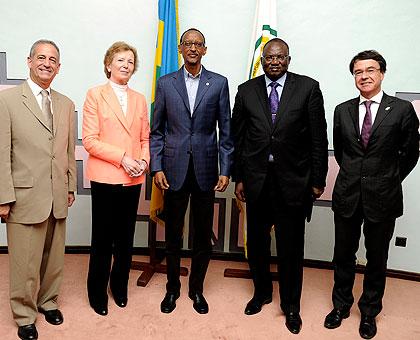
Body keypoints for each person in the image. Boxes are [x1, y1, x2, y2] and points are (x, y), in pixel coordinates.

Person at [232, 38, 328, 334]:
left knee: (290, 248)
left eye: (280, 57)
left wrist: (317, 180)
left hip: (293, 183)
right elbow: (238, 138)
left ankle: (291, 305)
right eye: (269, 58)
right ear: (261, 60)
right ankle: (261, 293)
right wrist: (239, 178)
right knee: (258, 245)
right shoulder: (246, 91)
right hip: (257, 182)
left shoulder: (308, 88)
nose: (274, 62)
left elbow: (318, 137)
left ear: (288, 59)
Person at [324, 50, 419, 339]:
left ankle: (369, 312)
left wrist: (388, 178)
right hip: (348, 194)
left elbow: (410, 154)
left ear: (381, 73)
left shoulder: (402, 109)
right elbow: (342, 152)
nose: (364, 76)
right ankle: (340, 306)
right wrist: (357, 176)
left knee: (376, 258)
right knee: (343, 255)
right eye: (357, 72)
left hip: (383, 196)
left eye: (370, 70)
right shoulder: (342, 109)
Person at [150, 28, 233, 315]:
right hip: (172, 170)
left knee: (201, 235)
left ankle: (196, 289)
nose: (193, 48)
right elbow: (156, 131)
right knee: (172, 234)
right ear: (181, 48)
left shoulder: (219, 83)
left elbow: (226, 130)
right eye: (188, 44)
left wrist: (226, 169)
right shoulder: (165, 83)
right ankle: (172, 289)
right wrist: (157, 166)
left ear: (205, 49)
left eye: (198, 44)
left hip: (206, 170)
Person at [0, 39, 76, 340]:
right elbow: (2, 152)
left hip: (57, 194)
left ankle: (47, 301)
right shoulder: (7, 101)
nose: (47, 63)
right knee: (24, 262)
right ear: (29, 61)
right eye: (41, 57)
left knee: (53, 258)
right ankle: (24, 314)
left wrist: (70, 186)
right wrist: (3, 198)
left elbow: (68, 152)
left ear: (59, 67)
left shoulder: (66, 104)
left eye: (52, 59)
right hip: (23, 196)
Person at [82, 41, 150, 316]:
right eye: (120, 60)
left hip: (133, 178)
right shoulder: (95, 94)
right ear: (108, 64)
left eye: (130, 61)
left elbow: (145, 138)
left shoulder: (140, 98)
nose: (126, 65)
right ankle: (97, 292)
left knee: (125, 238)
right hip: (106, 176)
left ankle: (118, 286)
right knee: (102, 239)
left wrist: (143, 162)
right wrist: (123, 158)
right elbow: (89, 141)